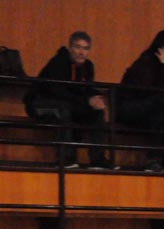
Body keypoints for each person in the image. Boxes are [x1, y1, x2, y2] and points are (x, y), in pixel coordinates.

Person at [23, 31, 115, 169]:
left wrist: (95, 98)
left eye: (85, 48)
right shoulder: (58, 62)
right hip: (39, 103)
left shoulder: (88, 66)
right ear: (70, 48)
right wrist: (86, 100)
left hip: (68, 103)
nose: (81, 52)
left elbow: (86, 89)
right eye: (78, 47)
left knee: (96, 111)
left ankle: (98, 159)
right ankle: (66, 159)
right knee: (63, 108)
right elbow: (56, 91)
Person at [118, 30, 164, 173]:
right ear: (163, 47)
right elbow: (147, 92)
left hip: (153, 110)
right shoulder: (145, 62)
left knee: (162, 112)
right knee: (162, 105)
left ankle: (159, 160)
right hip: (131, 107)